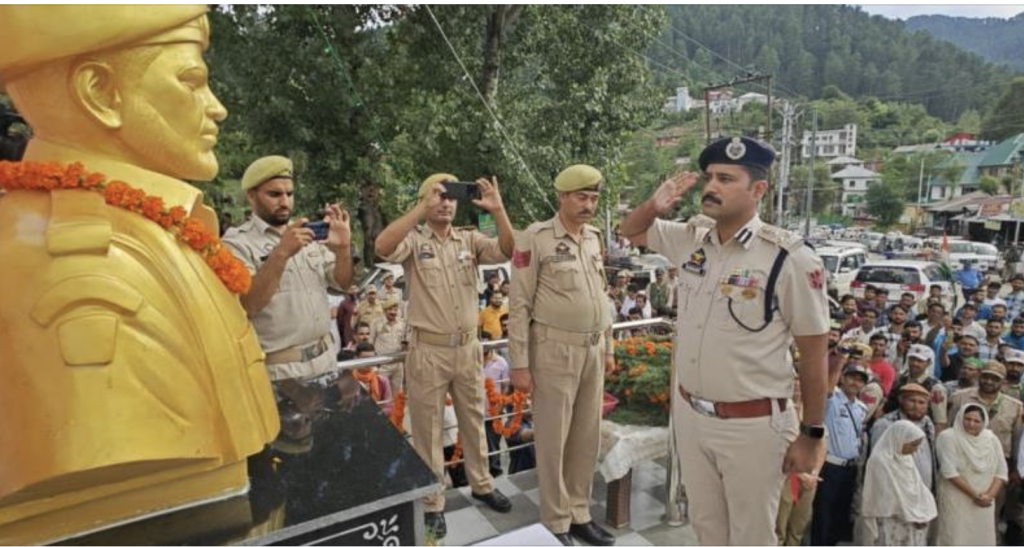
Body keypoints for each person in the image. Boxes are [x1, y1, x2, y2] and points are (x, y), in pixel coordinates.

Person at [0, 6, 279, 535]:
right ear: (100, 93)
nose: (216, 109)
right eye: (191, 82)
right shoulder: (65, 263)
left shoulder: (153, 228)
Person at [620, 136, 830, 545]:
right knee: (707, 530)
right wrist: (654, 204)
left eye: (726, 179)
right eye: (710, 177)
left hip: (751, 426)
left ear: (758, 190)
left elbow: (814, 353)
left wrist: (812, 433)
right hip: (691, 417)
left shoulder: (789, 258)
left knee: (751, 536)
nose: (711, 186)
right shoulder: (692, 239)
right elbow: (629, 232)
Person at [375, 173, 515, 538]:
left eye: (452, 196)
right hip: (428, 350)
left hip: (468, 347)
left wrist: (498, 210)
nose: (447, 202)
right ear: (424, 202)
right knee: (428, 429)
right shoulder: (413, 240)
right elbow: (382, 247)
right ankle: (433, 502)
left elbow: (508, 250)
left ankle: (482, 484)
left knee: (475, 418)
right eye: (439, 196)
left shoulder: (469, 238)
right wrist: (419, 210)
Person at [508, 164, 616, 546]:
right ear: (562, 197)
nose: (589, 205)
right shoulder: (534, 238)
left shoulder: (593, 238)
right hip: (553, 350)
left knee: (586, 437)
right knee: (554, 439)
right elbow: (519, 304)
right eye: (582, 197)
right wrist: (519, 363)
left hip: (593, 348)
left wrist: (609, 346)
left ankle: (579, 513)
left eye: (593, 198)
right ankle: (555, 522)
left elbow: (601, 295)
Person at [224, 155, 354, 426]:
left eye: (289, 193)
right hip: (280, 374)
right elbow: (248, 305)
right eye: (274, 194)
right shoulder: (236, 244)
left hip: (326, 363)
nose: (284, 201)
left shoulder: (308, 234)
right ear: (251, 196)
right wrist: (281, 253)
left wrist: (343, 250)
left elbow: (342, 283)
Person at [811, 365, 869, 546]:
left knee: (841, 513)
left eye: (860, 379)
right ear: (842, 378)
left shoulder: (861, 408)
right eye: (851, 377)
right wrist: (841, 360)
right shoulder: (833, 399)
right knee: (823, 514)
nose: (855, 382)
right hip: (830, 466)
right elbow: (826, 389)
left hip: (850, 467)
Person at [936, 404, 1007, 546]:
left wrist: (988, 496)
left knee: (981, 538)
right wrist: (975, 495)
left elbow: (1001, 472)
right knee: (955, 537)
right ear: (960, 417)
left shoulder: (991, 439)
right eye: (967, 419)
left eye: (976, 421)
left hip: (985, 502)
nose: (971, 424)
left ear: (984, 422)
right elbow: (949, 472)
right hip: (956, 498)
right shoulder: (948, 437)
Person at [861, 421, 937, 546]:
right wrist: (911, 514)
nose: (915, 450)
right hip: (889, 518)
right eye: (912, 445)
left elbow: (916, 487)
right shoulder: (879, 461)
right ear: (900, 439)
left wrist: (921, 513)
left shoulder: (905, 458)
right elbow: (887, 496)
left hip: (910, 519)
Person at [883, 344, 949, 430]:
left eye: (920, 361)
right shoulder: (902, 379)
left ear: (928, 363)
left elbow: (940, 421)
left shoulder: (936, 387)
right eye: (912, 359)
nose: (915, 363)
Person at [481, 334, 510, 478]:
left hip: (494, 411)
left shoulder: (501, 362)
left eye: (486, 343)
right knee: (478, 443)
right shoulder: (470, 361)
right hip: (476, 410)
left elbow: (505, 387)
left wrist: (500, 406)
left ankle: (496, 473)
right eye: (481, 343)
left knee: (493, 443)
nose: (484, 346)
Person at [371, 299, 406, 393]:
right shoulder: (376, 323)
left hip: (398, 365)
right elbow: (370, 344)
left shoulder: (402, 324)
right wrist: (373, 365)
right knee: (380, 394)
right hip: (382, 365)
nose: (393, 312)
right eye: (390, 309)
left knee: (397, 395)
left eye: (395, 309)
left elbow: (405, 343)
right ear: (384, 310)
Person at [352, 342, 394, 416]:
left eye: (372, 358)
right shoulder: (350, 380)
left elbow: (389, 407)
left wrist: (376, 413)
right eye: (365, 358)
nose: (369, 362)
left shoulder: (382, 380)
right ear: (356, 358)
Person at [337, 284, 359, 351]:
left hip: (360, 331)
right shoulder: (343, 303)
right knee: (350, 351)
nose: (353, 291)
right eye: (351, 289)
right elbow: (340, 320)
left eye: (355, 288)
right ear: (347, 291)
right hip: (348, 332)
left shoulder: (361, 302)